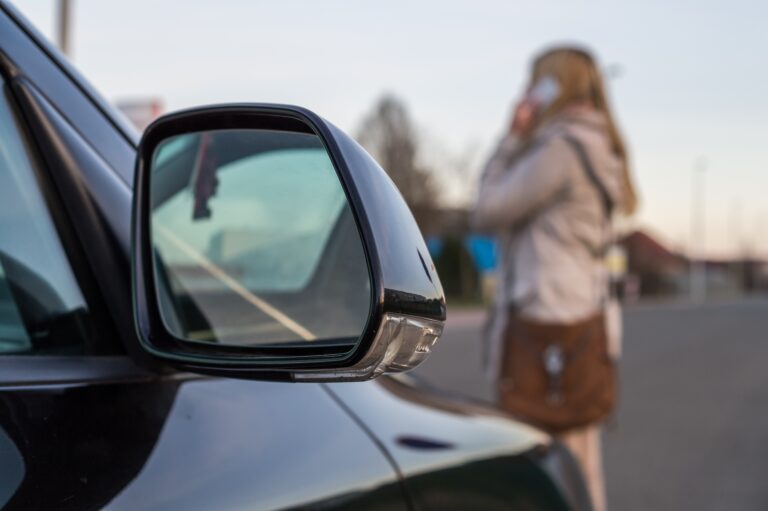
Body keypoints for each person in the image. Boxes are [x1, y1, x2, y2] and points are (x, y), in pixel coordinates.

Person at [472, 46, 638, 511]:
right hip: (583, 318)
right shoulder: (598, 144)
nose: (526, 94)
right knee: (579, 467)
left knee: (546, 472)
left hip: (546, 325)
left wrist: (511, 138)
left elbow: (487, 210)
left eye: (534, 83)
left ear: (552, 87)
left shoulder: (561, 148)